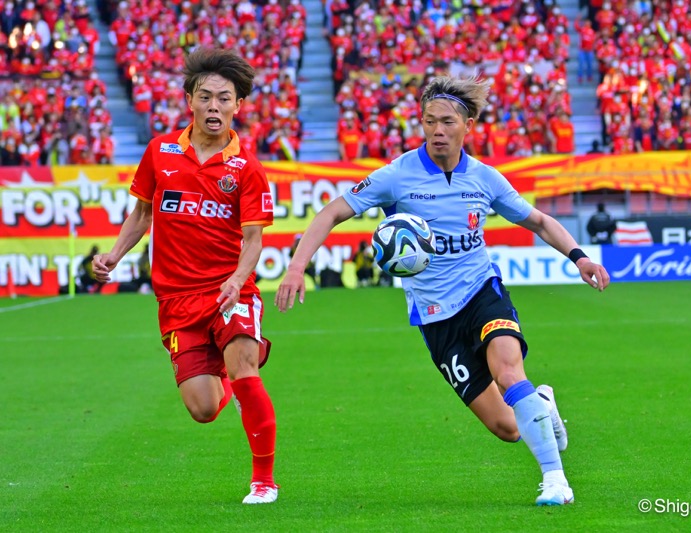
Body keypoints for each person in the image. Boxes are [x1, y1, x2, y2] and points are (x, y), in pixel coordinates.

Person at [275, 76, 610, 506]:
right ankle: (542, 401)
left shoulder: (485, 179)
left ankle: (555, 480)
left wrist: (580, 257)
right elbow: (332, 211)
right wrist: (296, 266)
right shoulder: (397, 175)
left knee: (509, 372)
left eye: (447, 122)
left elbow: (540, 221)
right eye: (429, 121)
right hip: (435, 317)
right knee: (508, 428)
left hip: (482, 291)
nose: (437, 130)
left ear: (467, 125)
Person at [92, 48, 279, 504]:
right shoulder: (159, 153)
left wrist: (237, 279)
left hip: (229, 291)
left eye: (224, 99)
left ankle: (263, 480)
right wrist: (115, 254)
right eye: (206, 97)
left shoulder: (246, 168)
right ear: (189, 101)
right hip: (176, 301)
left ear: (238, 106)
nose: (214, 107)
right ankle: (228, 380)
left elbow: (253, 239)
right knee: (200, 409)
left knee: (244, 368)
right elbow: (141, 213)